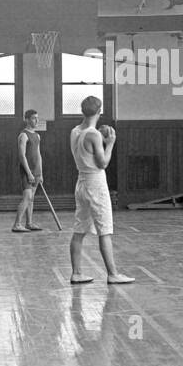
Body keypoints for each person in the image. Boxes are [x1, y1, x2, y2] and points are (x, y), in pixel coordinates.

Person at [69, 96, 134, 285]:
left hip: (81, 182)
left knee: (79, 229)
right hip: (95, 184)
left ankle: (76, 273)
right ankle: (113, 274)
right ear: (99, 112)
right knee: (104, 230)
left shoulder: (75, 131)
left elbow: (85, 152)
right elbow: (102, 162)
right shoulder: (93, 134)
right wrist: (111, 143)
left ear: (82, 111)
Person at [12, 109, 43, 233]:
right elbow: (22, 156)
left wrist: (40, 173)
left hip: (36, 170)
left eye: (37, 118)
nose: (37, 120)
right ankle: (16, 224)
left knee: (32, 198)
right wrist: (29, 173)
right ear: (27, 119)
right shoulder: (23, 135)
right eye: (34, 118)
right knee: (27, 197)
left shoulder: (37, 135)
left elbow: (39, 155)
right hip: (26, 170)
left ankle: (29, 223)